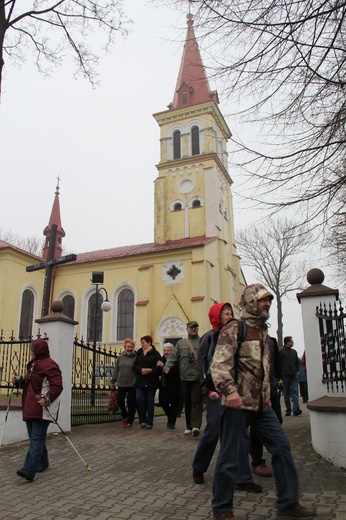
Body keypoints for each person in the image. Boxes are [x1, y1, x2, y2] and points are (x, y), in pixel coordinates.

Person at [210, 284, 316, 520]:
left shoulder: (265, 332)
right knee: (229, 458)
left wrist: (268, 395)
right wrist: (231, 392)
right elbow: (219, 365)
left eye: (269, 300)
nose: (267, 304)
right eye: (262, 300)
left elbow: (263, 370)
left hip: (262, 408)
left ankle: (288, 504)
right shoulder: (235, 328)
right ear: (249, 302)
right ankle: (222, 509)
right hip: (237, 406)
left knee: (282, 447)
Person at [192, 302, 262, 494]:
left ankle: (243, 478)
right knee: (213, 429)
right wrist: (208, 389)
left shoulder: (237, 334)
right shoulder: (209, 337)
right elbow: (202, 365)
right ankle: (199, 466)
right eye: (225, 313)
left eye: (231, 313)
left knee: (240, 433)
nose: (229, 315)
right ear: (216, 316)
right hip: (215, 392)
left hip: (234, 393)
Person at [11, 338, 63, 482]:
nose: (30, 352)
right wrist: (18, 381)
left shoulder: (50, 365)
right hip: (30, 407)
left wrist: (46, 400)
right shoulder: (33, 365)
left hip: (42, 409)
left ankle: (29, 469)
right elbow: (30, 384)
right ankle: (43, 462)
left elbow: (57, 386)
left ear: (37, 351)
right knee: (36, 438)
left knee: (36, 438)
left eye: (32, 350)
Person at [249, 335, 282, 478]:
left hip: (271, 388)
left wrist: (276, 381)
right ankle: (257, 462)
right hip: (255, 391)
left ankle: (280, 458)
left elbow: (277, 364)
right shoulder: (245, 337)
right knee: (256, 427)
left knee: (277, 420)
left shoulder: (271, 340)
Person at [164, 321, 203, 437]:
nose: (193, 329)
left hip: (197, 377)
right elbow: (173, 356)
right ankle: (188, 426)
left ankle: (196, 426)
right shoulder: (181, 343)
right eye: (191, 328)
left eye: (195, 327)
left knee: (196, 401)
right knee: (188, 402)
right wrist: (167, 366)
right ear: (187, 329)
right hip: (185, 377)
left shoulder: (202, 341)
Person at [133, 335, 162, 429]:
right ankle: (143, 419)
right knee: (139, 399)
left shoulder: (155, 354)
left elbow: (159, 367)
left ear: (149, 343)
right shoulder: (139, 352)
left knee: (149, 402)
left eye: (143, 342)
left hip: (151, 381)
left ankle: (149, 422)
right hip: (140, 380)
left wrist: (151, 370)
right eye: (141, 343)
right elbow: (134, 365)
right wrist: (141, 370)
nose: (142, 344)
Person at [111, 338, 137, 428]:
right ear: (125, 347)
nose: (129, 348)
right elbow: (116, 369)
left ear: (133, 347)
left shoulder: (136, 357)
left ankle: (130, 420)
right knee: (120, 400)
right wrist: (113, 381)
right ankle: (125, 414)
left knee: (131, 402)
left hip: (132, 383)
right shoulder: (120, 357)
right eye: (127, 347)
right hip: (121, 382)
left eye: (131, 347)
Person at [158, 342, 181, 429]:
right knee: (163, 402)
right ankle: (170, 417)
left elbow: (175, 370)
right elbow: (158, 369)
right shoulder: (161, 359)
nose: (166, 352)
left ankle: (172, 422)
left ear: (172, 351)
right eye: (165, 350)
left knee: (174, 403)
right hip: (164, 384)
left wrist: (163, 366)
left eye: (168, 350)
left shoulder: (176, 359)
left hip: (174, 384)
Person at [279, 336, 302, 417]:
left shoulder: (294, 352)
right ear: (287, 342)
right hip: (285, 375)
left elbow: (297, 362)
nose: (293, 343)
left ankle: (295, 409)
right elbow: (278, 363)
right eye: (291, 341)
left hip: (293, 374)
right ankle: (289, 409)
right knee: (286, 393)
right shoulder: (281, 351)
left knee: (294, 392)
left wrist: (297, 370)